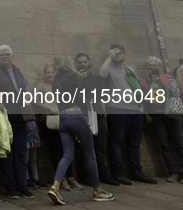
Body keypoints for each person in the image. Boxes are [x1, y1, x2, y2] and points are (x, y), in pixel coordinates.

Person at [47, 54, 115, 205]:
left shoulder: (56, 80)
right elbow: (80, 96)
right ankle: (97, 191)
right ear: (68, 63)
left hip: (63, 119)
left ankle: (55, 186)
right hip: (76, 116)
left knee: (67, 155)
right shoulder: (72, 75)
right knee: (90, 154)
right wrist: (87, 104)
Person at [99, 44, 157, 184]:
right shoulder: (108, 68)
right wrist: (109, 56)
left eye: (120, 53)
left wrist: (141, 107)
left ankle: (136, 171)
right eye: (115, 53)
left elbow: (137, 87)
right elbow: (101, 74)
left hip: (135, 110)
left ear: (124, 55)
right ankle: (118, 172)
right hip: (117, 109)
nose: (118, 55)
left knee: (135, 143)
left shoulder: (129, 69)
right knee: (116, 142)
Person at [0, 45, 33, 199]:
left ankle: (23, 186)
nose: (4, 57)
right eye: (1, 56)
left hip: (20, 117)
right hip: (4, 118)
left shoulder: (18, 71)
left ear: (12, 56)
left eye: (7, 55)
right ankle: (10, 187)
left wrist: (27, 100)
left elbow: (26, 90)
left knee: (21, 152)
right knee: (6, 152)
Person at [75, 53, 118, 186]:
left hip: (98, 114)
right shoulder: (73, 78)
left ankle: (103, 174)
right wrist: (78, 79)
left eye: (84, 62)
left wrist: (103, 113)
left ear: (89, 62)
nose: (82, 64)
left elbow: (100, 95)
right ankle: (86, 175)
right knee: (85, 147)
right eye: (79, 62)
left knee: (100, 146)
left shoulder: (94, 78)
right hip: (84, 115)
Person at [141, 56, 183, 183]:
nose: (152, 67)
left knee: (179, 143)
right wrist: (146, 112)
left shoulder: (169, 78)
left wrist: (161, 82)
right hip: (156, 115)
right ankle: (174, 172)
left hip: (171, 113)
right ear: (147, 68)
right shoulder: (145, 81)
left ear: (160, 67)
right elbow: (143, 98)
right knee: (165, 144)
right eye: (150, 65)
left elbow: (176, 92)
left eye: (154, 65)